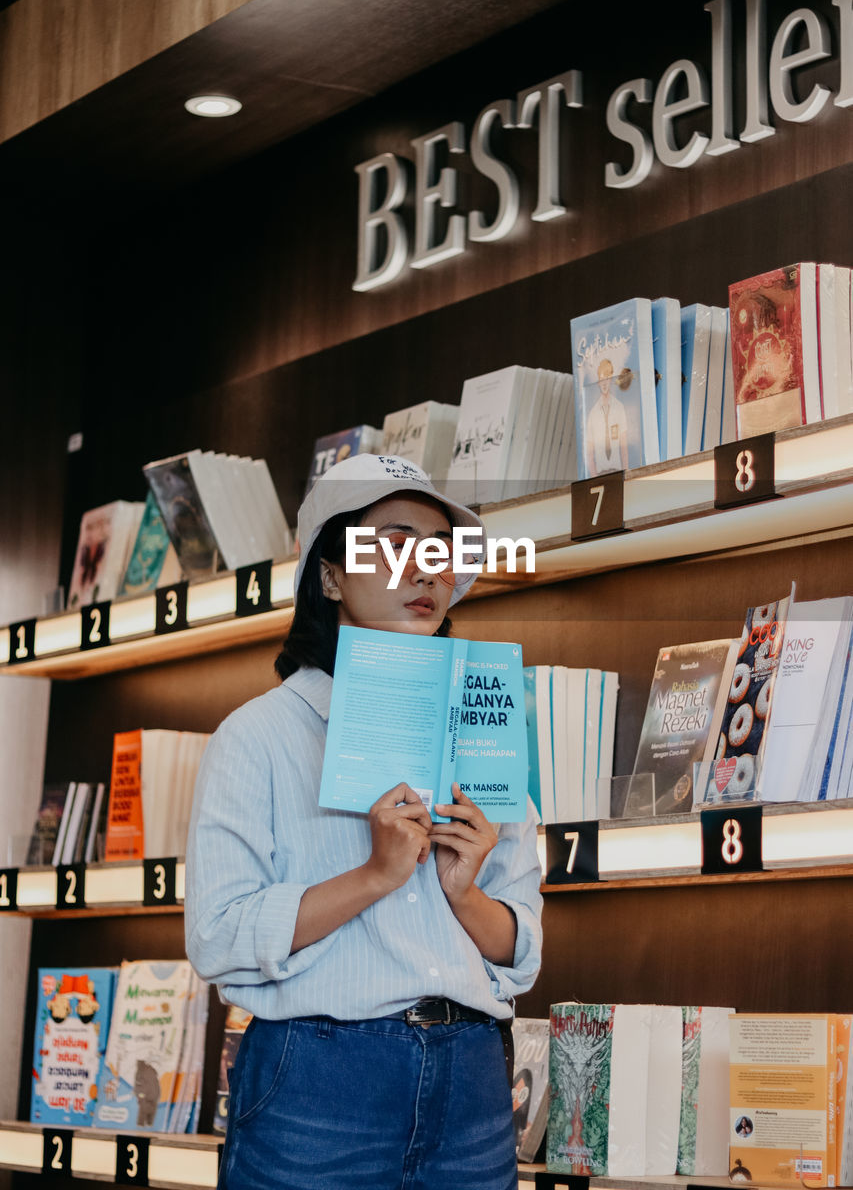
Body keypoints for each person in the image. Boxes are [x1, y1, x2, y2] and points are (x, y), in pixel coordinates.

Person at [185, 453, 543, 1190]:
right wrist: (376, 875)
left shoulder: (485, 725)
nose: (424, 570)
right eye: (393, 541)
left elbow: (523, 951)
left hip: (474, 1078)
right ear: (330, 575)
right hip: (320, 1076)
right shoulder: (259, 736)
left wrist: (464, 893)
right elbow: (217, 935)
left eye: (439, 551)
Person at [584, 357, 629, 476]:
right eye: (601, 379)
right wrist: (594, 478)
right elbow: (589, 453)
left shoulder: (619, 408)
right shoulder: (592, 414)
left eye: (607, 378)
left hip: (618, 471)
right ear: (598, 382)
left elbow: (624, 447)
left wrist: (626, 473)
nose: (604, 383)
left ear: (611, 380)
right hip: (600, 474)